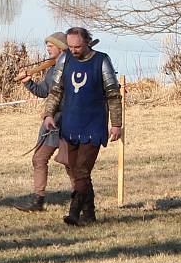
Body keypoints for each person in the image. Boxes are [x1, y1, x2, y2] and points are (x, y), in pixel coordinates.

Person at [42, 27, 123, 226]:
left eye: (77, 46)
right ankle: (90, 215)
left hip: (93, 125)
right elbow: (56, 91)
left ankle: (74, 212)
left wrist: (117, 124)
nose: (74, 50)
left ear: (87, 42)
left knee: (82, 170)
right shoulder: (64, 59)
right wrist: (48, 114)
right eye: (70, 46)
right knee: (78, 171)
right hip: (70, 124)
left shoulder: (102, 61)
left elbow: (113, 94)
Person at [15, 32, 68, 212]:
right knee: (39, 158)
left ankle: (81, 197)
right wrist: (28, 82)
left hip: (68, 120)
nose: (47, 48)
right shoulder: (52, 68)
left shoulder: (72, 68)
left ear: (61, 48)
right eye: (47, 45)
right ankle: (38, 199)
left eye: (51, 46)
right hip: (51, 121)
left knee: (70, 162)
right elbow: (44, 92)